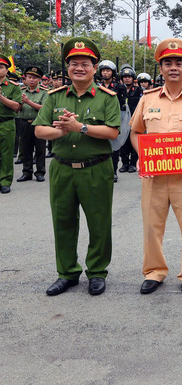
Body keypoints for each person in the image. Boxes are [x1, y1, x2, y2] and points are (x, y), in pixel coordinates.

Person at [34, 37, 121, 295]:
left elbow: (113, 132)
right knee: (62, 222)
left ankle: (96, 272)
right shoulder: (54, 96)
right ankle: (67, 272)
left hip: (96, 168)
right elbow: (39, 130)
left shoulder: (107, 97)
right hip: (62, 168)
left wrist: (80, 127)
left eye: (85, 63)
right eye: (73, 63)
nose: (79, 68)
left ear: (95, 67)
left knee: (99, 223)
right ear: (67, 67)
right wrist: (61, 131)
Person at [130, 38, 182, 295]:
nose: (173, 67)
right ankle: (154, 271)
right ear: (161, 68)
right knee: (152, 226)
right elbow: (135, 132)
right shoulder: (147, 98)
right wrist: (143, 155)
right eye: (168, 63)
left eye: (179, 63)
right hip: (154, 176)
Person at [16, 66, 47, 182]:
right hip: (24, 123)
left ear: (39, 79)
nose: (31, 80)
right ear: (26, 79)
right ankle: (27, 172)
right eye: (29, 77)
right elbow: (18, 107)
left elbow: (44, 109)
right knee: (25, 149)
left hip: (38, 123)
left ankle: (40, 172)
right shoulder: (21, 91)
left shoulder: (44, 92)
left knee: (40, 149)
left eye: (34, 78)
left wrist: (29, 102)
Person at [114, 64, 143, 175]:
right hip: (122, 119)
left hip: (135, 119)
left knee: (134, 141)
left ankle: (132, 164)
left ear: (132, 78)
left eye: (129, 77)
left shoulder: (138, 90)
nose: (127, 79)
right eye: (125, 77)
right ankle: (125, 163)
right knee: (123, 142)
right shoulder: (118, 89)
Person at [0, 55, 22, 194]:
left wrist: (1, 98)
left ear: (7, 70)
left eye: (1, 67)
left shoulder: (13, 87)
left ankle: (5, 181)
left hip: (6, 123)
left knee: (6, 153)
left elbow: (17, 107)